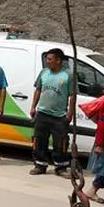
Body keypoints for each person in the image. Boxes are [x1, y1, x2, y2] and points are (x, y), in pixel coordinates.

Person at [29, 48, 75, 176]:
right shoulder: (44, 73)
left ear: (58, 60)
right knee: (39, 140)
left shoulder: (68, 75)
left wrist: (70, 114)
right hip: (42, 114)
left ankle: (60, 168)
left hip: (59, 117)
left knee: (60, 143)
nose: (47, 62)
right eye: (47, 59)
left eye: (50, 59)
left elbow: (72, 96)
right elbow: (38, 90)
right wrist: (33, 107)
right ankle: (40, 165)